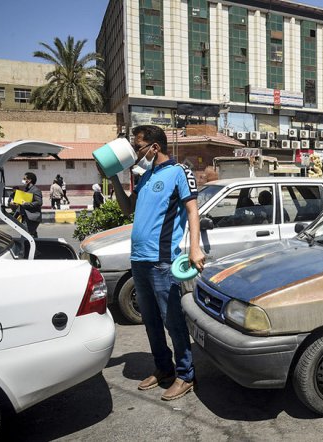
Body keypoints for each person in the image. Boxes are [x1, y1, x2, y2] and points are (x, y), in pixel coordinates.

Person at [109, 125, 205, 401]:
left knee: (172, 320)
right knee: (150, 321)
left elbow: (192, 210)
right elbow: (128, 209)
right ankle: (164, 368)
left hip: (163, 261)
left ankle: (185, 375)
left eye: (138, 147)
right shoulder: (145, 176)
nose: (135, 152)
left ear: (154, 147)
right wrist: (115, 178)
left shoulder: (179, 172)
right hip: (139, 260)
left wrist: (194, 248)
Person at [11, 172, 43, 237]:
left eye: (24, 178)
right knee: (31, 236)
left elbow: (39, 202)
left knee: (26, 236)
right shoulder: (27, 190)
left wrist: (25, 204)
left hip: (32, 217)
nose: (23, 180)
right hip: (25, 217)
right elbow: (22, 203)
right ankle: (35, 246)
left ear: (29, 180)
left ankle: (29, 247)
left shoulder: (35, 190)